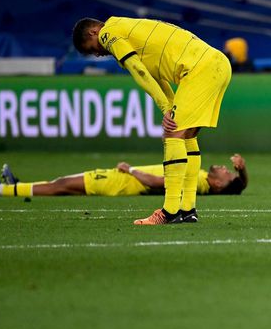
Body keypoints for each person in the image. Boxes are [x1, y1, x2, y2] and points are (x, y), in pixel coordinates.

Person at [72, 16, 232, 225]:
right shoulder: (129, 30)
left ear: (94, 33)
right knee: (186, 136)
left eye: (92, 48)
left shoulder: (108, 34)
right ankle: (188, 209)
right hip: (218, 64)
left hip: (200, 70)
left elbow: (138, 71)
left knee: (172, 134)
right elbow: (157, 77)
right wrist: (170, 105)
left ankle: (170, 211)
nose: (97, 53)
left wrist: (167, 109)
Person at [0, 155, 247, 201]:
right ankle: (14, 186)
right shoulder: (202, 179)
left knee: (61, 186)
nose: (224, 167)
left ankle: (0, 190)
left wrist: (130, 170)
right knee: (62, 183)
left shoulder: (195, 183)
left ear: (217, 184)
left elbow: (156, 183)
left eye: (227, 172)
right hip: (121, 181)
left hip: (120, 182)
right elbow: (240, 187)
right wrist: (242, 171)